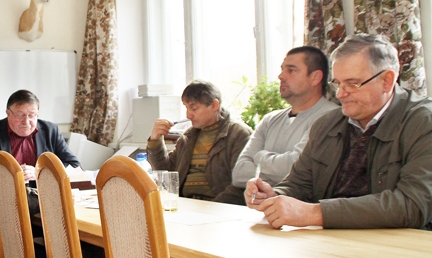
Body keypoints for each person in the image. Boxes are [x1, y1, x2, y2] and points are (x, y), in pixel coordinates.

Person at [246, 34, 432, 229]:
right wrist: (274, 196)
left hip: (401, 248)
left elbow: (413, 206)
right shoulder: (327, 124)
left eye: (352, 84)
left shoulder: (423, 123)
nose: (341, 94)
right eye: (338, 83)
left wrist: (315, 213)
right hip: (330, 242)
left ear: (387, 81)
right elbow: (300, 185)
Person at [232, 46, 338, 188]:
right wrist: (279, 175)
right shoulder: (269, 119)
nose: (281, 76)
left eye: (291, 70)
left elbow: (300, 171)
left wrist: (259, 157)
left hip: (298, 206)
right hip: (249, 201)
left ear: (315, 77)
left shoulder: (332, 117)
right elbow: (239, 174)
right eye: (282, 69)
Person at [147, 80, 251, 205]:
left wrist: (212, 207)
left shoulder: (239, 134)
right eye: (186, 108)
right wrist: (155, 140)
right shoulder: (188, 137)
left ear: (214, 105)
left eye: (194, 108)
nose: (188, 115)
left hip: (219, 207)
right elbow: (166, 173)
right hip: (186, 205)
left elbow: (241, 185)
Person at [0, 89, 80, 181]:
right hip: (5, 195)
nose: (26, 122)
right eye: (20, 115)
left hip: (42, 195)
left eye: (32, 115)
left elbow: (74, 166)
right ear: (8, 113)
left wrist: (40, 173)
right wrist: (11, 175)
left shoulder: (50, 131)